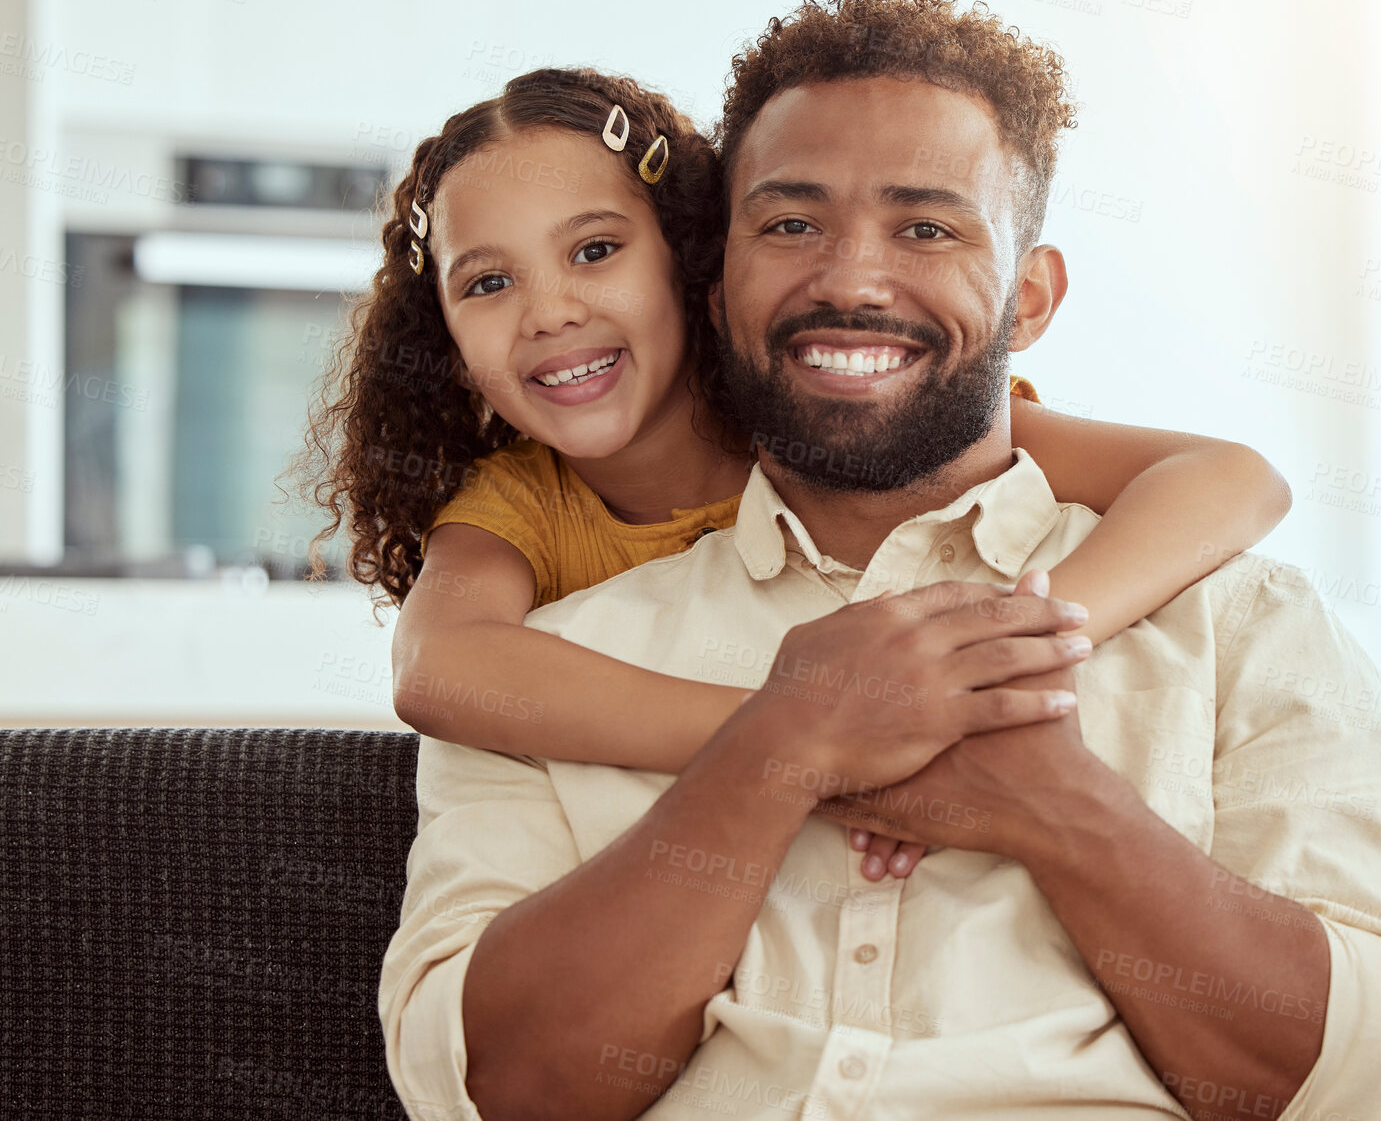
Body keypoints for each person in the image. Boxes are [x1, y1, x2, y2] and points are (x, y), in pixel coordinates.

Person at [378, 0, 1381, 1121]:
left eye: (928, 227)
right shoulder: (550, 671)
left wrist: (1058, 800)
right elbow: (494, 1091)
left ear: (1030, 297)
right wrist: (776, 750)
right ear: (717, 290)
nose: (850, 280)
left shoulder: (1240, 626)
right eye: (791, 224)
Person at [297, 61, 1292, 884]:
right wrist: (811, 737)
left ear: (701, 267)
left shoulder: (830, 418)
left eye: (595, 251)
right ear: (446, 335)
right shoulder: (517, 503)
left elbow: (1231, 477)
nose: (550, 311)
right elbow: (441, 668)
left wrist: (1019, 644)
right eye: (490, 282)